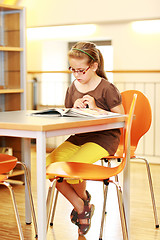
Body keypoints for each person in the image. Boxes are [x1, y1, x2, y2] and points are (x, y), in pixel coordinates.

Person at [46, 41, 124, 236]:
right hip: (79, 137)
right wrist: (75, 107)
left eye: (81, 70)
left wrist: (98, 109)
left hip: (104, 139)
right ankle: (82, 206)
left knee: (72, 167)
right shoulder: (73, 86)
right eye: (73, 70)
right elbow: (68, 114)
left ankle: (81, 208)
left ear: (94, 66)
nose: (77, 75)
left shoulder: (107, 88)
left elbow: (122, 120)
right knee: (46, 166)